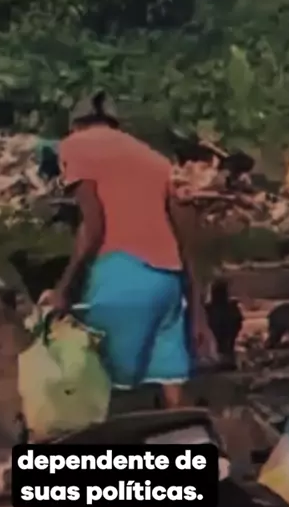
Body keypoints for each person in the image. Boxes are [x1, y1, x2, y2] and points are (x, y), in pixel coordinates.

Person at [38, 90, 218, 409]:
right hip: (168, 282)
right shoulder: (154, 159)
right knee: (172, 387)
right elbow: (184, 235)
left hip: (121, 275)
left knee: (101, 387)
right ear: (115, 124)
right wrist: (197, 314)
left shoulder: (76, 146)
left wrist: (63, 289)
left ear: (75, 124)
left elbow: (93, 227)